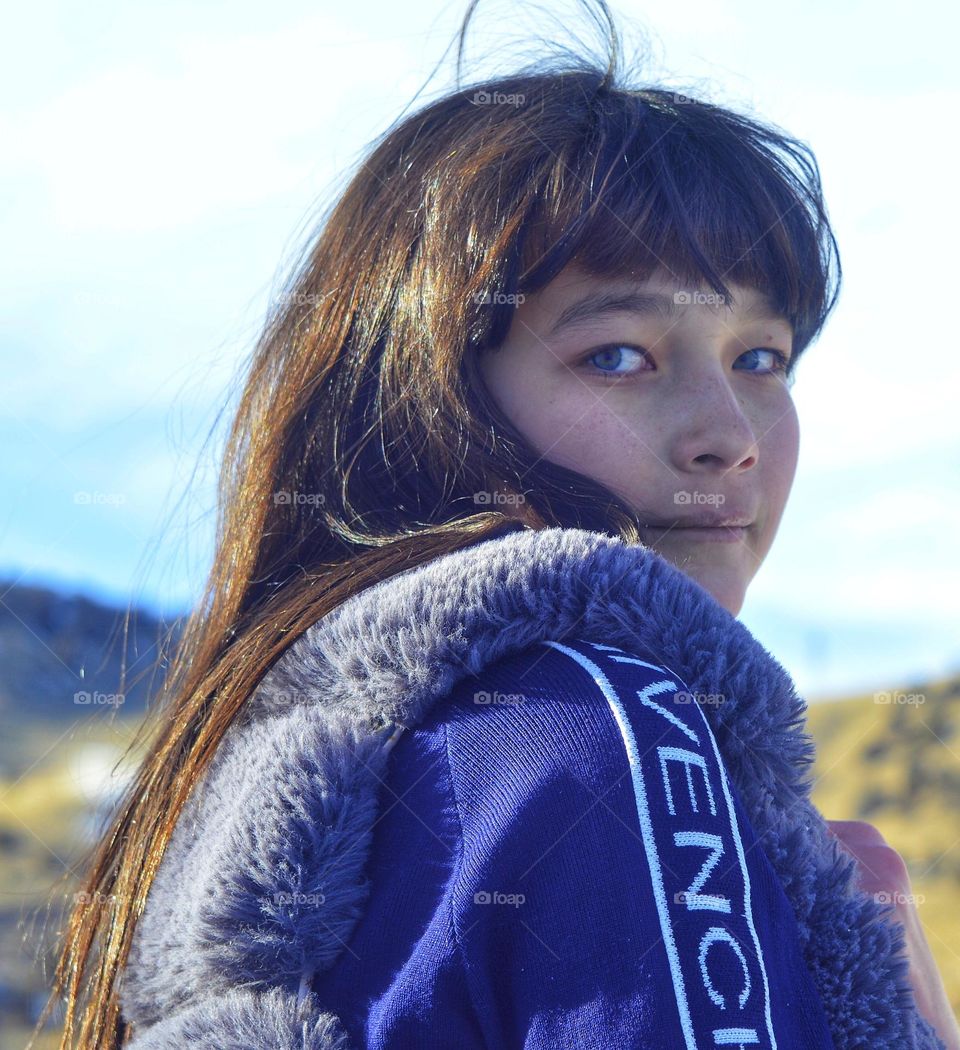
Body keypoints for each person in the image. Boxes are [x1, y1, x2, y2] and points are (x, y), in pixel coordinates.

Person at [37, 1, 959, 1047]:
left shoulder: (254, 801)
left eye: (762, 357)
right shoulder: (599, 724)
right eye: (620, 355)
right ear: (430, 398)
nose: (729, 436)